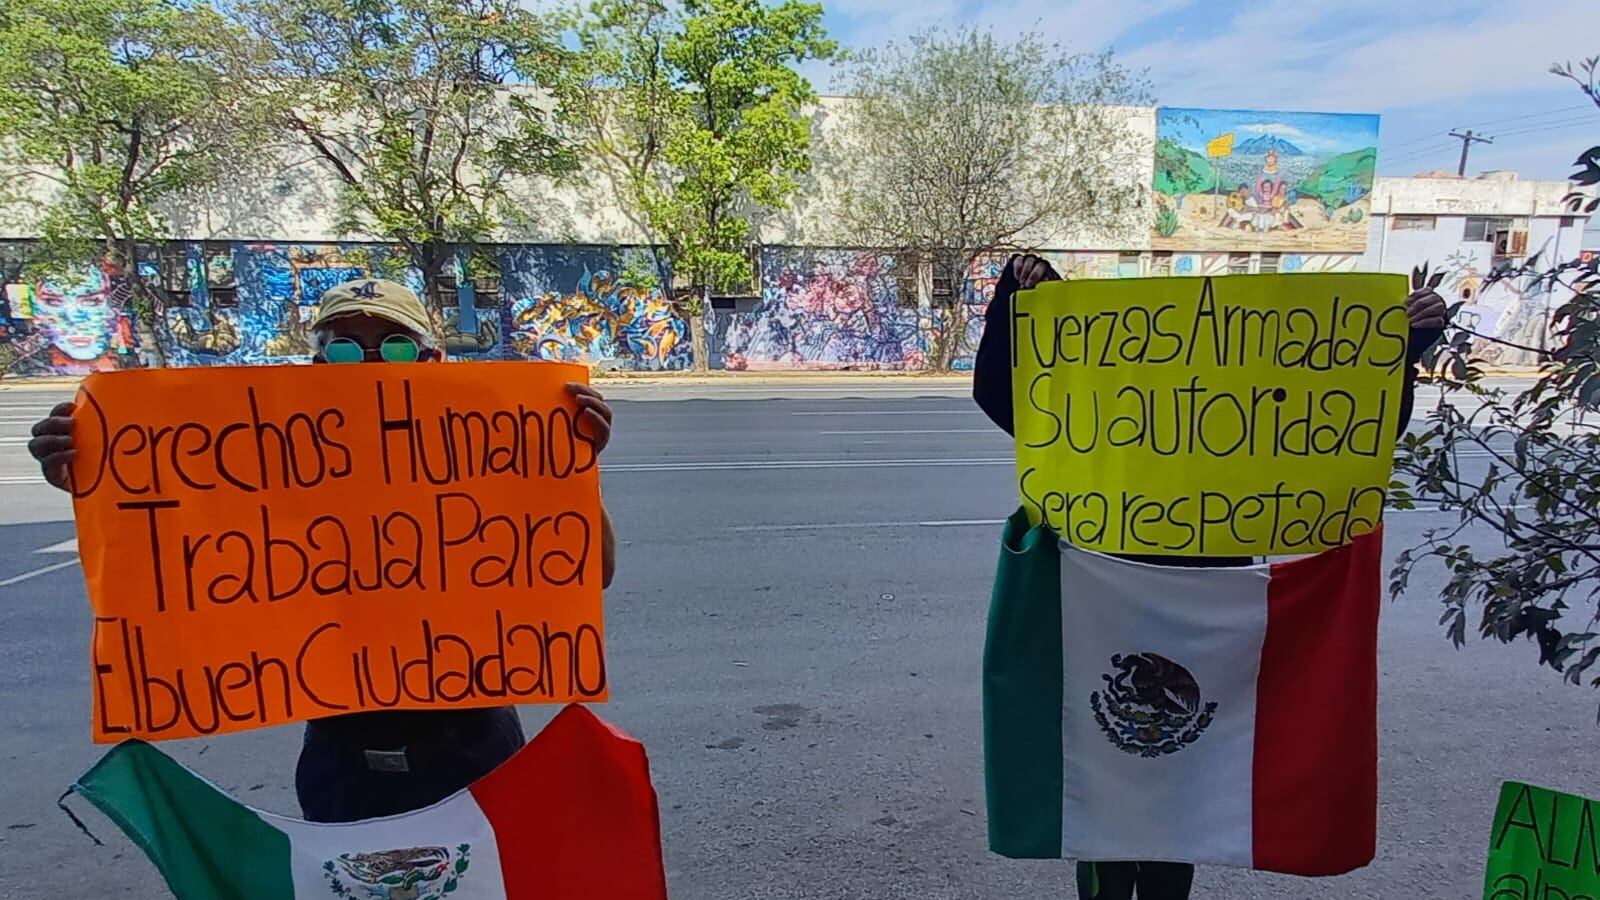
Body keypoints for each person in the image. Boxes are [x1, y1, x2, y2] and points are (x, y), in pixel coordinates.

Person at [27, 277, 619, 823]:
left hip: (474, 746)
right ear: (317, 364)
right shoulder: (273, 466)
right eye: (343, 348)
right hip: (343, 755)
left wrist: (569, 469)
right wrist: (101, 480)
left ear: (431, 359)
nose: (367, 363)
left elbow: (594, 570)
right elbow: (170, 560)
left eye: (394, 346)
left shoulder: (487, 451)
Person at [971, 255, 1447, 899]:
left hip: (1211, 606)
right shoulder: (1095, 408)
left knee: (1181, 788)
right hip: (1103, 601)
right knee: (1108, 783)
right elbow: (1003, 394)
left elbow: (1346, 430)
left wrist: (1400, 349)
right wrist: (1023, 306)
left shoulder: (1255, 421)